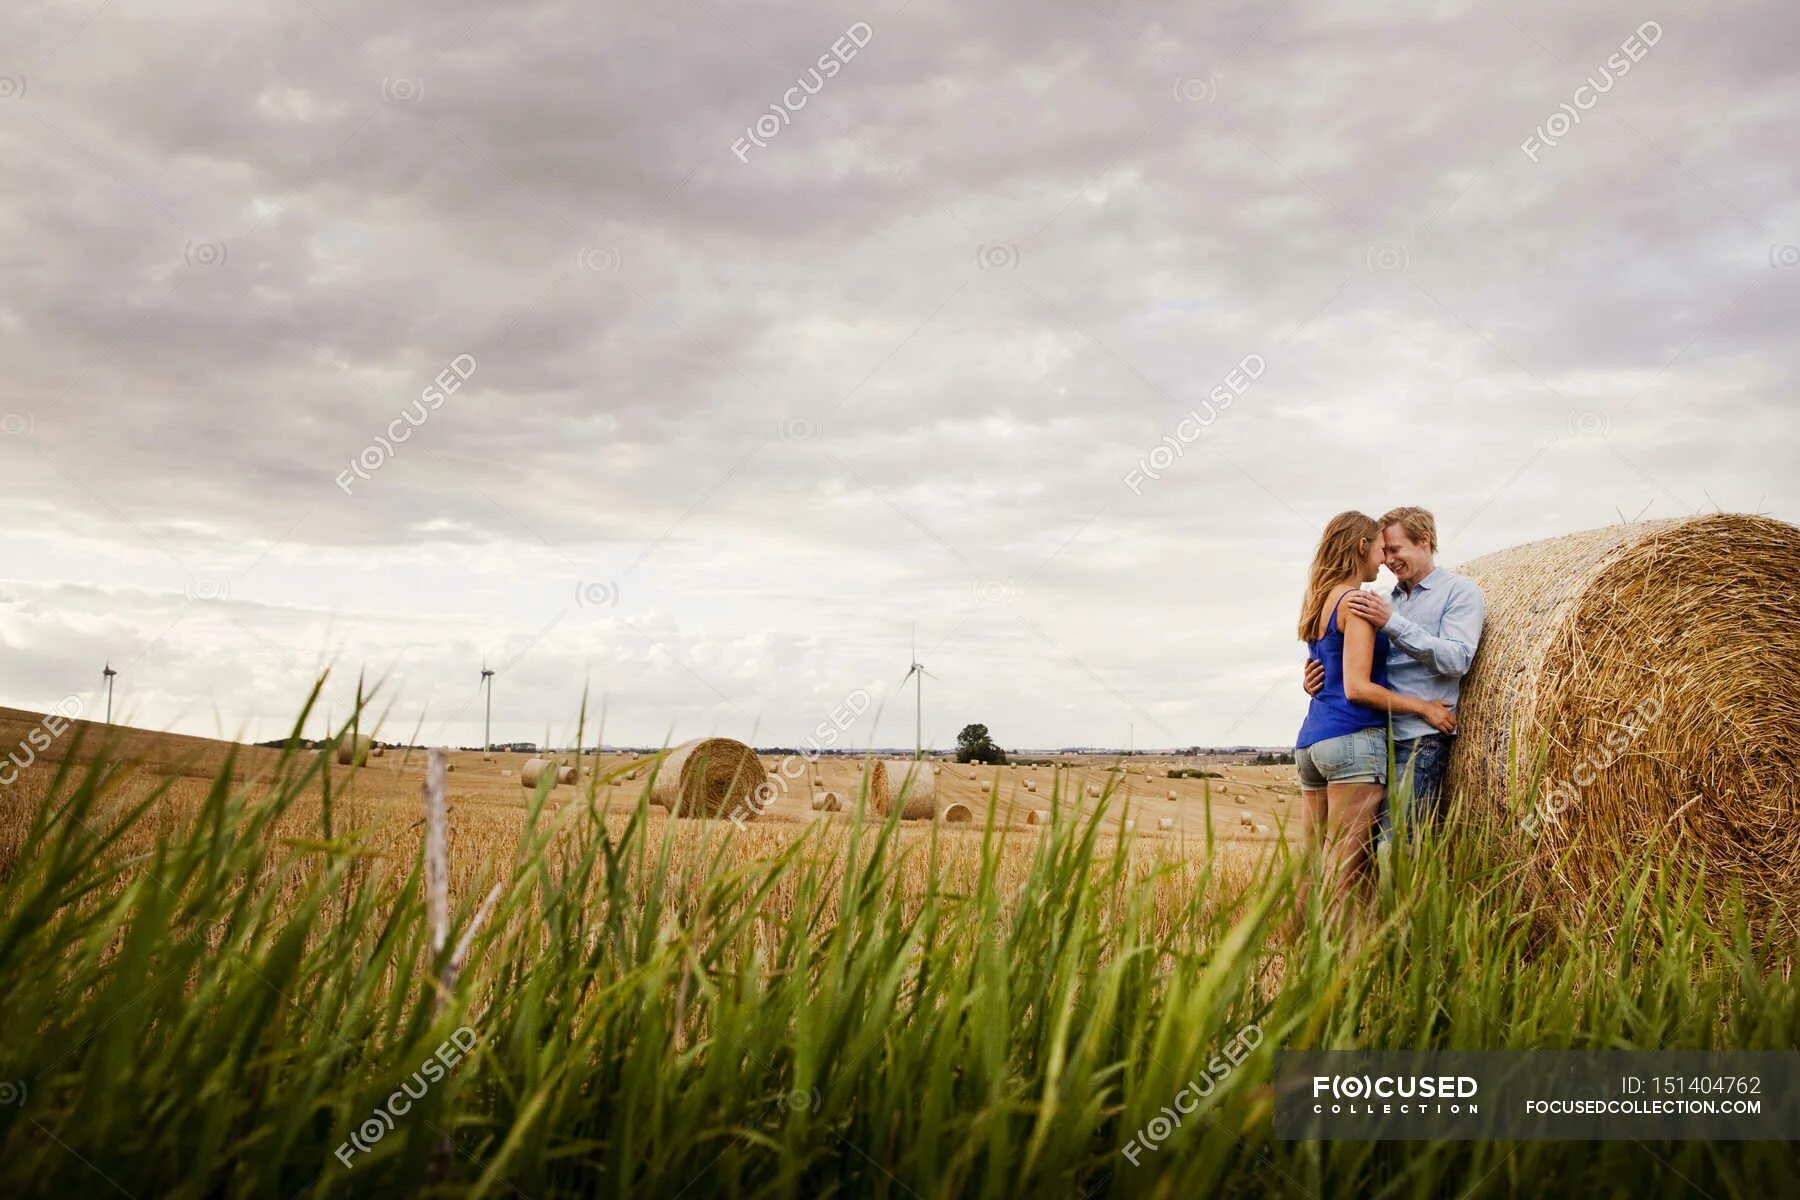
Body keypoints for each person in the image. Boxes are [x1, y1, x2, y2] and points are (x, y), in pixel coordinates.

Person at [1293, 512, 1458, 924]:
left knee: (1310, 866)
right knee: (1346, 871)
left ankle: (1295, 959)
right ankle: (1338, 973)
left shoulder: (1320, 600)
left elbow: (1329, 671)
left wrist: (1312, 682)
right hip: (1351, 740)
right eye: (1380, 548)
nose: (1383, 559)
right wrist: (1424, 707)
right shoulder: (1357, 602)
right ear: (1361, 547)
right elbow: (1357, 688)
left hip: (1311, 742)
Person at [1304, 505, 1484, 845]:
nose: (1387, 559)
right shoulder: (1384, 601)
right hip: (1372, 739)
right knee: (1360, 855)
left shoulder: (1460, 592)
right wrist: (1317, 678)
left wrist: (1392, 623)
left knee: (1396, 848)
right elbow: (1356, 665)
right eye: (1383, 551)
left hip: (1418, 739)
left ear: (1425, 541)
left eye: (1395, 549)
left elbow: (1457, 659)